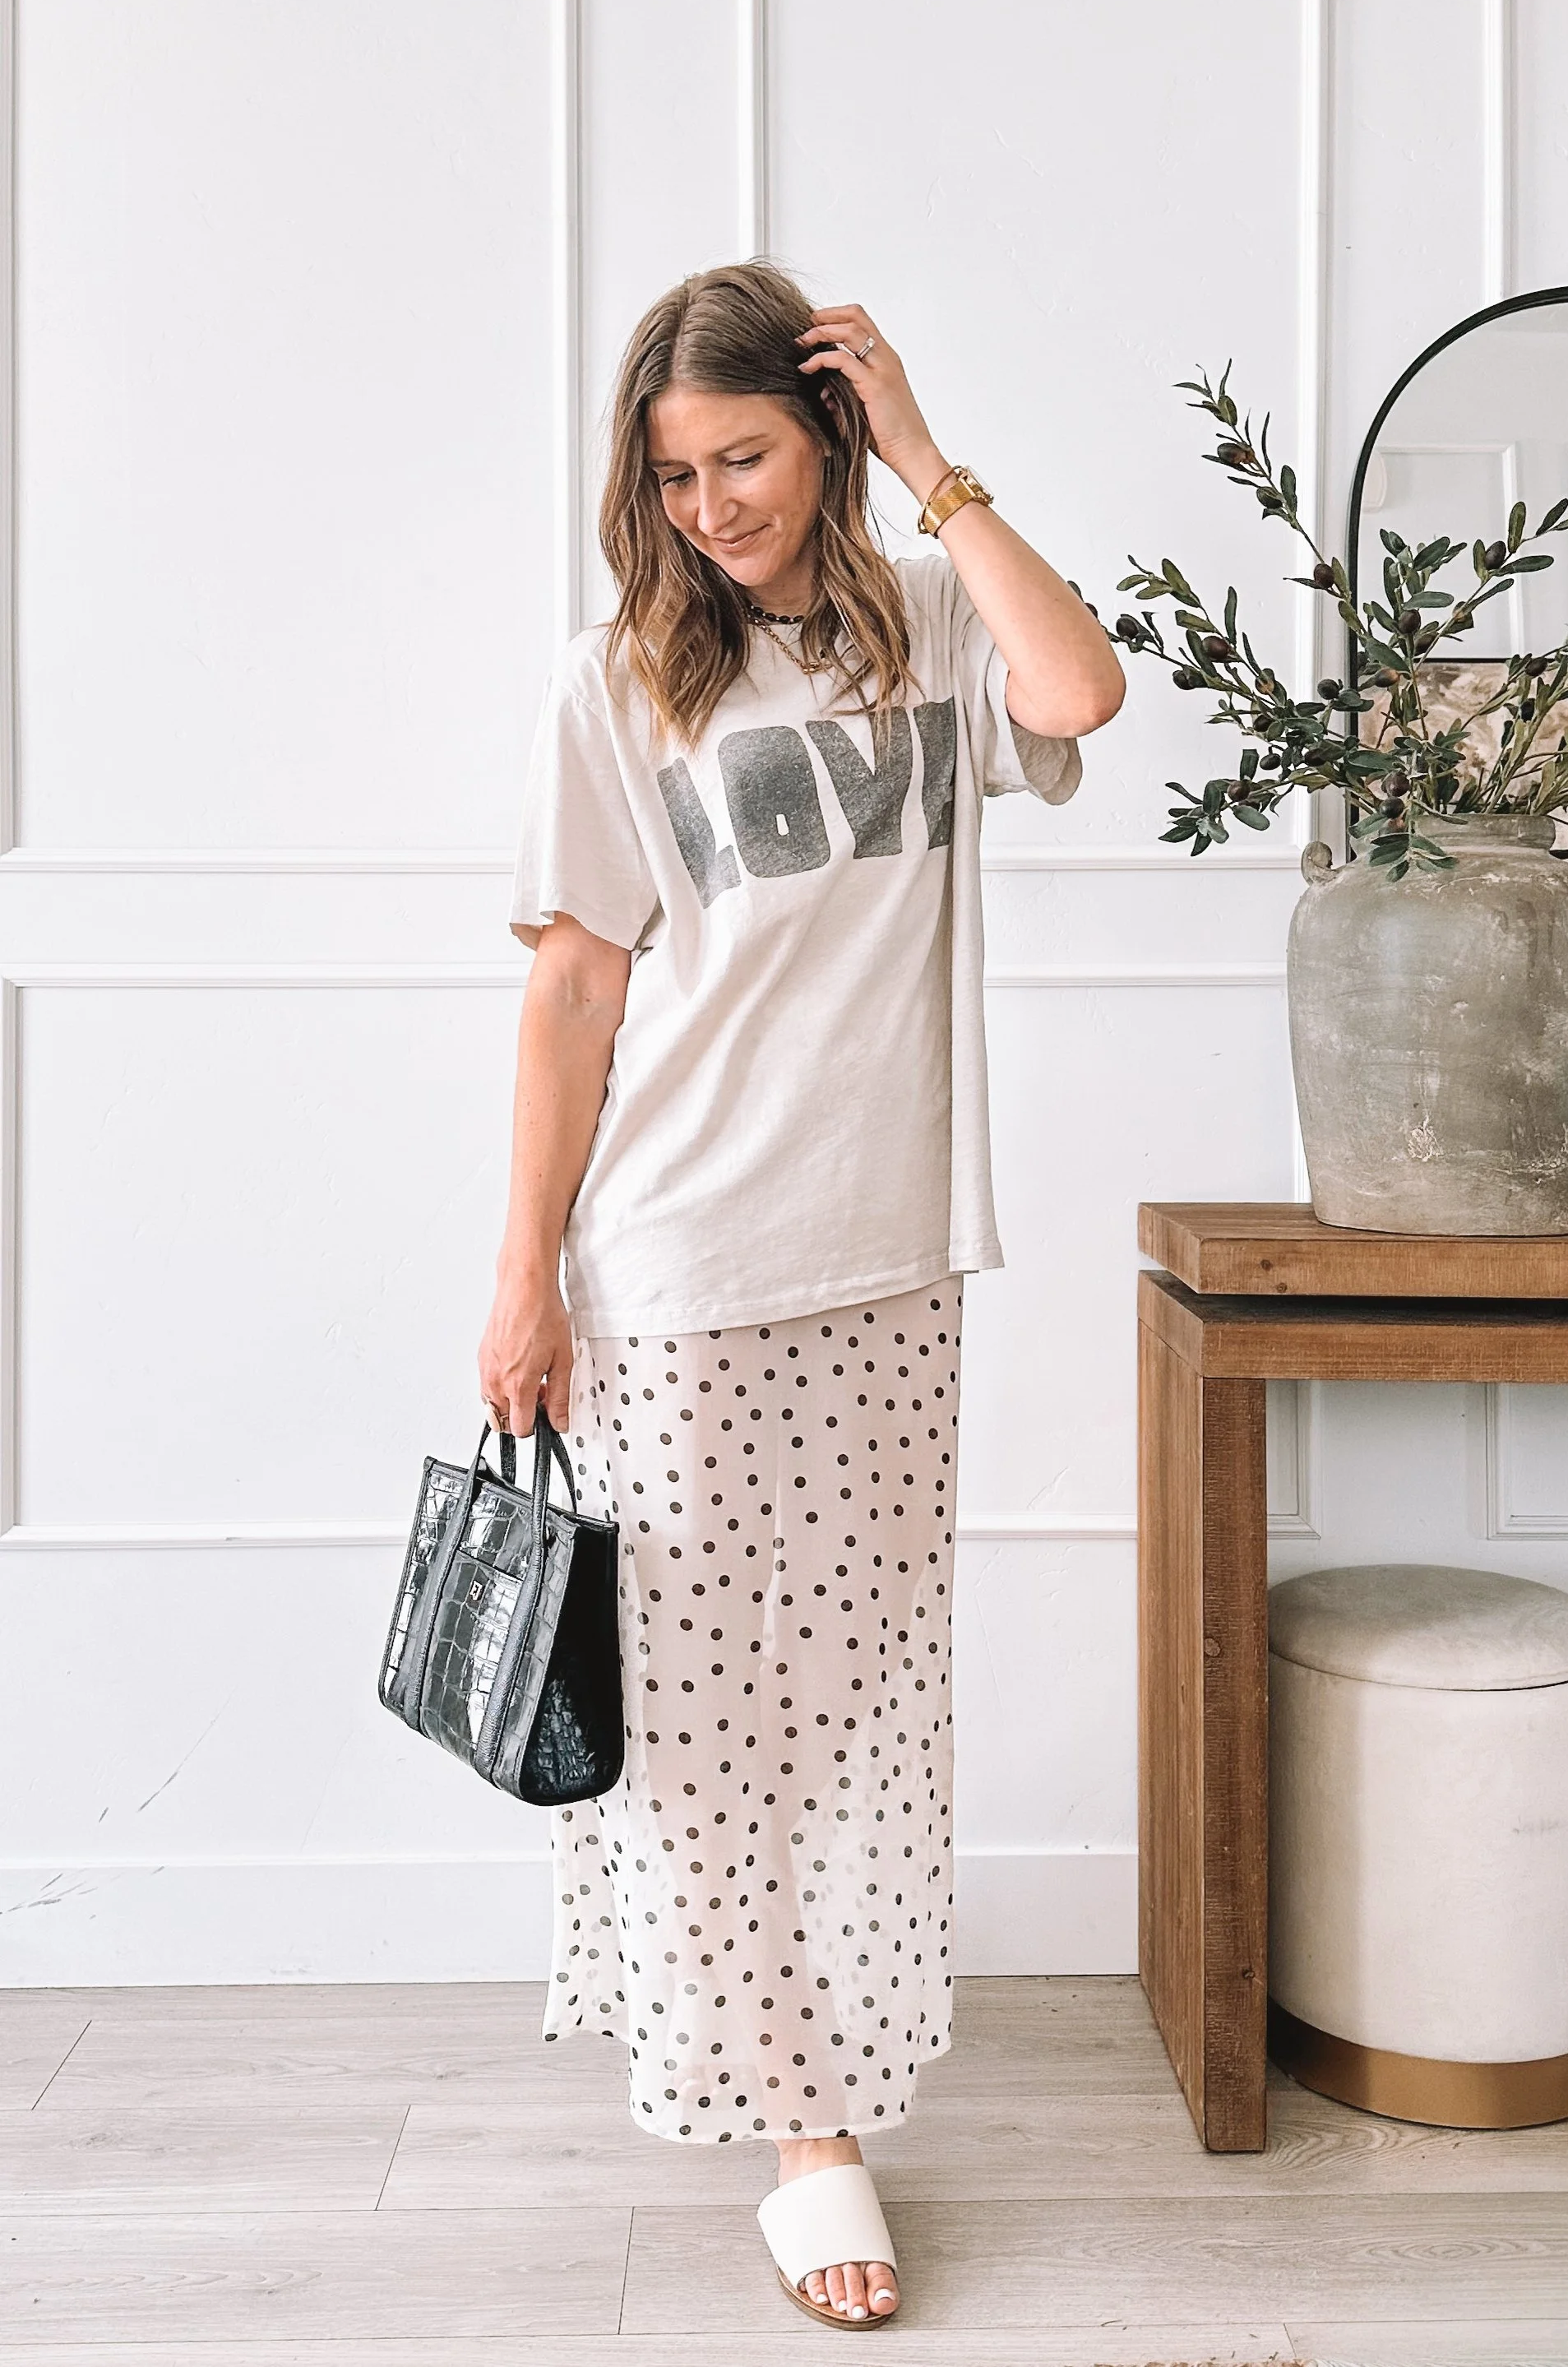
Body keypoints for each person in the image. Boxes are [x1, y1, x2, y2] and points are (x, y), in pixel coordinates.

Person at [479, 261, 1123, 2329]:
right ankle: (804, 2134)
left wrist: (931, 463)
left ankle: (822, 2077)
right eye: (673, 476)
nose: (711, 506)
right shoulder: (617, 684)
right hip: (674, 1259)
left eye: (742, 456)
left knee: (851, 1708)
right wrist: (522, 1283)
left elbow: (1085, 693)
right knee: (695, 1723)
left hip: (888, 1260)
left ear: (823, 434)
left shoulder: (924, 625)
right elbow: (572, 991)